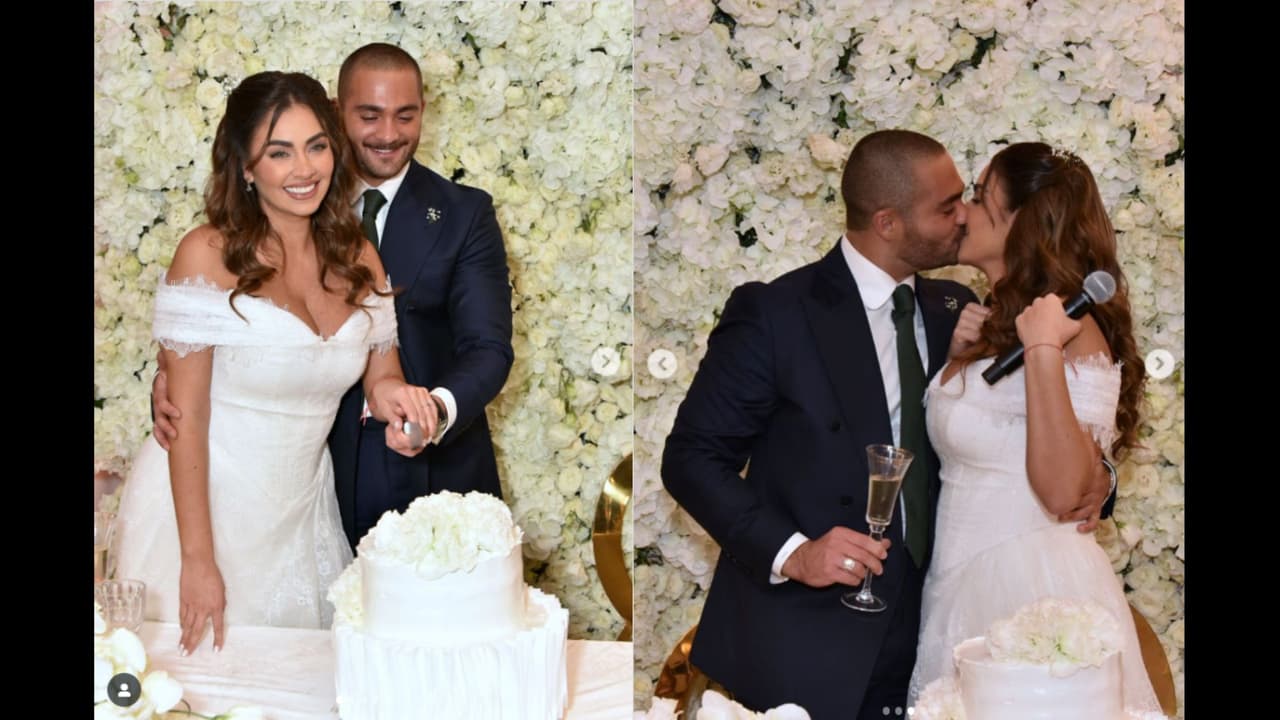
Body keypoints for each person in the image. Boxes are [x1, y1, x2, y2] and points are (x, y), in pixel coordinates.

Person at [660, 130, 1113, 719]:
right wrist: (793, 553)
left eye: (967, 200)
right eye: (947, 207)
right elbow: (691, 457)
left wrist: (1097, 477)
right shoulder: (776, 313)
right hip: (805, 646)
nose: (962, 218)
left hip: (938, 630)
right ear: (888, 222)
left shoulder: (956, 307)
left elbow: (1020, 428)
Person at [114, 71, 438, 655]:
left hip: (306, 516)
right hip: (201, 512)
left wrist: (406, 407)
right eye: (279, 152)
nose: (304, 169)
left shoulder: (361, 256)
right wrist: (198, 562)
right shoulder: (206, 254)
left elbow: (382, 374)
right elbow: (184, 422)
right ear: (244, 165)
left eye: (316, 146)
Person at [154, 44, 514, 551]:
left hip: (396, 483)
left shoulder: (453, 217)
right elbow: (198, 364)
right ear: (340, 113)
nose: (388, 133)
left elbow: (483, 349)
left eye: (404, 115)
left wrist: (426, 407)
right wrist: (169, 373)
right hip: (267, 492)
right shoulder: (212, 246)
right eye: (369, 115)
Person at [907, 142, 1160, 712]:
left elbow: (1065, 492)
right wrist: (956, 356)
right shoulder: (976, 318)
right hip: (953, 583)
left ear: (1022, 219)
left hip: (1030, 590)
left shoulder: (1071, 327)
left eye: (978, 195)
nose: (964, 211)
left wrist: (1043, 347)